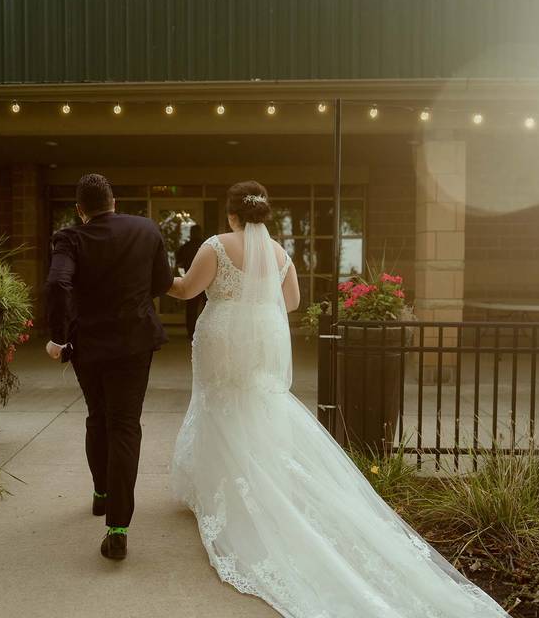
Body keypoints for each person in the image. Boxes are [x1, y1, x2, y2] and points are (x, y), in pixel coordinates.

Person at [166, 181, 510, 617]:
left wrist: (161, 277)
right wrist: (255, 303)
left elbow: (187, 290)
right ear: (262, 215)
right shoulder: (278, 253)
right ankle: (260, 473)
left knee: (220, 401)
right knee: (255, 401)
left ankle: (224, 489)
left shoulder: (215, 245)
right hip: (261, 335)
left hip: (221, 333)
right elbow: (290, 302)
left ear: (232, 215)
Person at [45, 173, 173, 561]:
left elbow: (57, 284)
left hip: (90, 346)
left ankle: (102, 493)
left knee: (97, 417)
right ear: (113, 201)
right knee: (125, 425)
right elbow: (162, 281)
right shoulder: (147, 229)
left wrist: (59, 335)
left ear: (80, 210)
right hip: (135, 343)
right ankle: (117, 526)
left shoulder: (69, 237)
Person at [174, 223, 206, 340]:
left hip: (191, 279)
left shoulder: (186, 247)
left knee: (191, 308)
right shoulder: (206, 246)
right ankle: (205, 331)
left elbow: (179, 263)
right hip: (206, 281)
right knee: (207, 307)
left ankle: (191, 332)